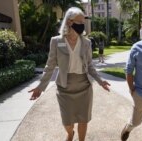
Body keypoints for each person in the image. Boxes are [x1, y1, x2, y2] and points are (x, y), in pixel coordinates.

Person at [28, 7, 110, 141]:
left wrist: (101, 81)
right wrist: (40, 86)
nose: (82, 24)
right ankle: (70, 133)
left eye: (83, 21)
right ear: (70, 22)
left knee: (83, 120)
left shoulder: (86, 43)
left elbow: (90, 66)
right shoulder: (56, 41)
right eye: (80, 21)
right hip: (64, 87)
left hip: (84, 86)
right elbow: (50, 66)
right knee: (68, 122)